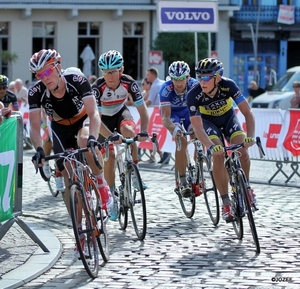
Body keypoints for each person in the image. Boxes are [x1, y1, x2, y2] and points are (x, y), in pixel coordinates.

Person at [28, 49, 118, 257]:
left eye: (47, 71)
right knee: (69, 176)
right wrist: (39, 149)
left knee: (85, 141)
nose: (44, 78)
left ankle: (102, 185)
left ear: (58, 66)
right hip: (59, 128)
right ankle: (79, 233)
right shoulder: (36, 92)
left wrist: (95, 138)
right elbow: (33, 126)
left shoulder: (77, 80)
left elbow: (94, 112)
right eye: (39, 75)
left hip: (82, 120)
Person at [186, 58, 256, 223]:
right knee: (218, 156)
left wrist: (250, 136)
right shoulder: (193, 95)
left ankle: (246, 189)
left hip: (228, 119)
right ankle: (225, 202)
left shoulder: (229, 85)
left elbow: (248, 112)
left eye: (207, 77)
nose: (202, 81)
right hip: (209, 124)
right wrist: (210, 146)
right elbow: (197, 127)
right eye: (200, 77)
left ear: (217, 78)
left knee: (242, 151)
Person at [92, 50, 149, 193]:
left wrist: (144, 131)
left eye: (112, 72)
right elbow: (96, 119)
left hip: (119, 113)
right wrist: (110, 136)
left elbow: (143, 111)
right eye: (105, 72)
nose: (109, 76)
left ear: (121, 70)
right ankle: (111, 194)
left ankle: (135, 173)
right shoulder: (97, 87)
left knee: (130, 133)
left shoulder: (129, 82)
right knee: (110, 157)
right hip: (102, 121)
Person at [160, 61, 198, 197]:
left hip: (189, 112)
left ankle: (198, 166)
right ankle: (182, 180)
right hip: (173, 114)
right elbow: (165, 118)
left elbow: (201, 110)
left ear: (188, 77)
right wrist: (174, 129)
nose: (179, 83)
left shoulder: (195, 85)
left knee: (197, 133)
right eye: (175, 79)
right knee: (181, 139)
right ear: (171, 79)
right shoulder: (166, 89)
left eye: (182, 78)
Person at [145, 67, 171, 164]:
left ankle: (159, 156)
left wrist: (139, 106)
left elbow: (149, 101)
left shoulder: (155, 85)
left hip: (157, 113)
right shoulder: (162, 82)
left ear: (153, 75)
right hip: (164, 112)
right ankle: (164, 155)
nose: (147, 77)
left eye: (148, 75)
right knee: (163, 135)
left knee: (153, 134)